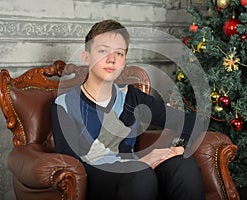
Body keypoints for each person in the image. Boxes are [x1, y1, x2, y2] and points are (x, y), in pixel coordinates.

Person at [51, 19, 205, 200]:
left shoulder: (131, 97)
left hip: (137, 172)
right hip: (97, 178)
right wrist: (141, 163)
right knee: (140, 175)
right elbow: (70, 162)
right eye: (103, 51)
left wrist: (177, 149)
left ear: (124, 61)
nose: (112, 59)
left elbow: (191, 121)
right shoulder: (64, 105)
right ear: (86, 57)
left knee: (182, 164)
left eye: (119, 53)